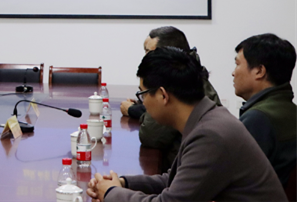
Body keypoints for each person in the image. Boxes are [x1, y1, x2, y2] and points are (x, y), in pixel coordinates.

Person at [87, 47, 287, 202]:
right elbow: (174, 180)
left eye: (143, 94)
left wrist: (111, 193)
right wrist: (123, 183)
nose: (143, 102)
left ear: (163, 95)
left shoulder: (210, 134)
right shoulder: (206, 119)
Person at [119, 26, 221, 170]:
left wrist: (135, 111)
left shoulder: (179, 84)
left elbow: (151, 135)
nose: (145, 59)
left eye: (149, 52)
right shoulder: (190, 75)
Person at [233, 33, 297, 187]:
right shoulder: (291, 111)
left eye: (237, 64)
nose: (233, 72)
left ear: (259, 71)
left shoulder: (258, 119)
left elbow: (234, 180)